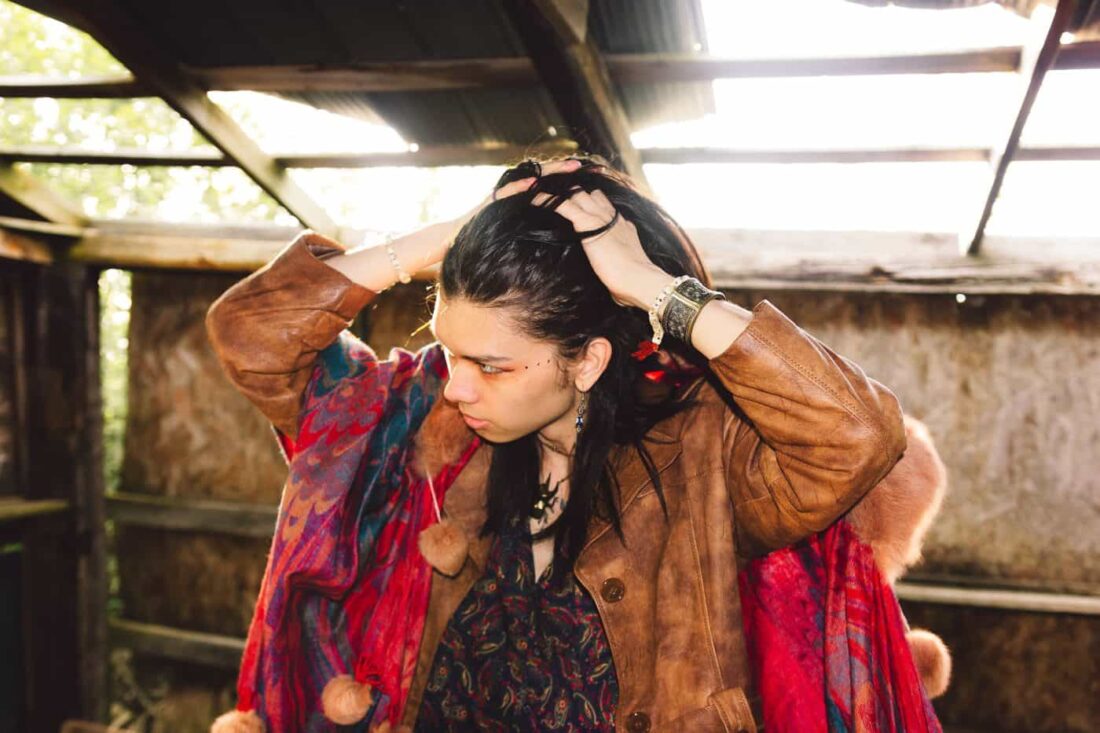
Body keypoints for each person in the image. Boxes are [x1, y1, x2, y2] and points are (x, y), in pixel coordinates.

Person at [205, 156, 936, 733]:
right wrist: (454, 235)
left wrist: (652, 285)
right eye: (451, 350)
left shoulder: (709, 459)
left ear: (588, 362)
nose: (457, 387)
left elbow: (860, 436)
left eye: (493, 365)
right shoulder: (424, 422)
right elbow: (252, 337)